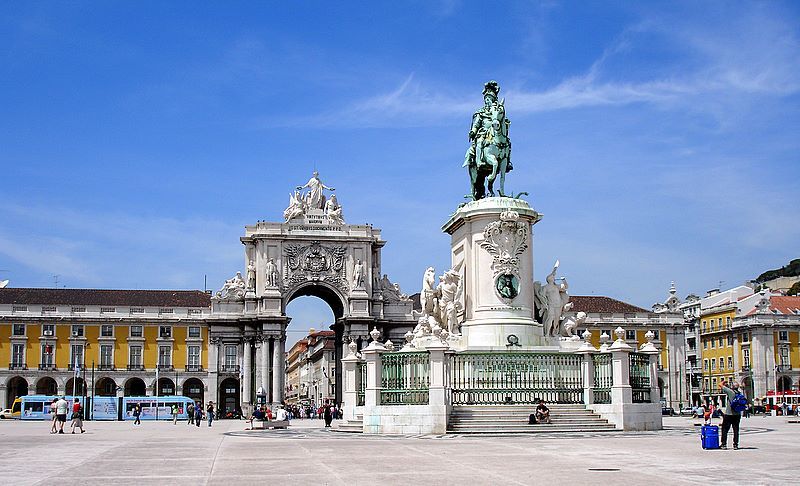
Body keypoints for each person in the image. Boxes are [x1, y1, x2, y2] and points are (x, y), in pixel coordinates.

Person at [719, 380, 742, 450]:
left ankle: (724, 444)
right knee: (736, 430)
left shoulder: (730, 392)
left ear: (732, 387)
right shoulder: (739, 393)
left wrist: (724, 381)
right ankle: (735, 445)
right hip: (737, 414)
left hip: (729, 414)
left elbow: (720, 384)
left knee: (725, 429)